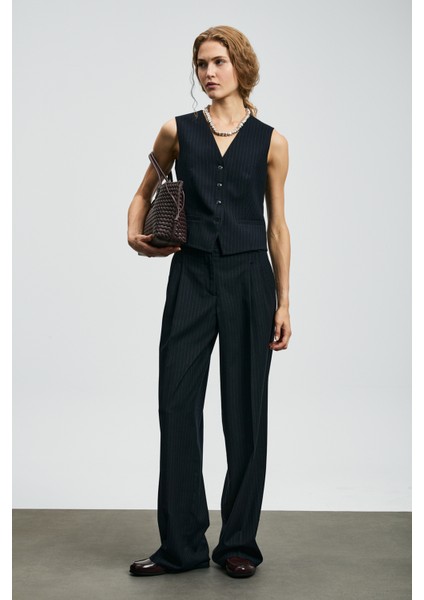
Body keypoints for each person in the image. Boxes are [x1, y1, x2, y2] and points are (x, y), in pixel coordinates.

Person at [127, 25, 291, 579]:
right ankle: (181, 546)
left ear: (241, 66)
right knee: (176, 407)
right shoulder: (177, 130)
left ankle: (238, 543)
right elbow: (144, 191)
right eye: (201, 64)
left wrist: (284, 301)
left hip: (250, 280)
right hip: (191, 276)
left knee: (245, 413)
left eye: (218, 61)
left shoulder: (271, 142)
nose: (208, 73)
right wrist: (134, 236)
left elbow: (277, 227)